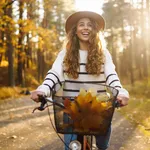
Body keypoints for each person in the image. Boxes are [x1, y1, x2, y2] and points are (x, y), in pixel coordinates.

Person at [31, 11, 129, 150]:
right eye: (81, 24)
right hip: (71, 107)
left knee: (102, 145)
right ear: (75, 30)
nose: (85, 28)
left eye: (90, 25)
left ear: (95, 30)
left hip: (98, 107)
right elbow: (54, 74)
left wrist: (121, 92)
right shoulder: (65, 53)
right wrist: (43, 89)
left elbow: (111, 76)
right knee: (71, 147)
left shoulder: (103, 54)